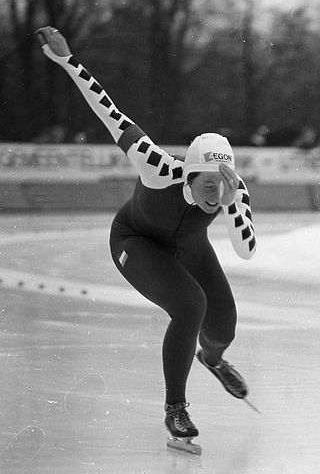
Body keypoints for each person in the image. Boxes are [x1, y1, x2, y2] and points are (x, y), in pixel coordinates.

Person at [36, 26, 257, 442]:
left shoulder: (233, 191)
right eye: (206, 183)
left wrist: (233, 203)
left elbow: (246, 251)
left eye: (222, 183)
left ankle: (212, 359)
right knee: (191, 305)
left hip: (189, 247)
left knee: (223, 325)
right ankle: (176, 409)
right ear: (187, 175)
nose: (214, 193)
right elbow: (109, 110)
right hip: (136, 241)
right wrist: (67, 60)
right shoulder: (156, 167)